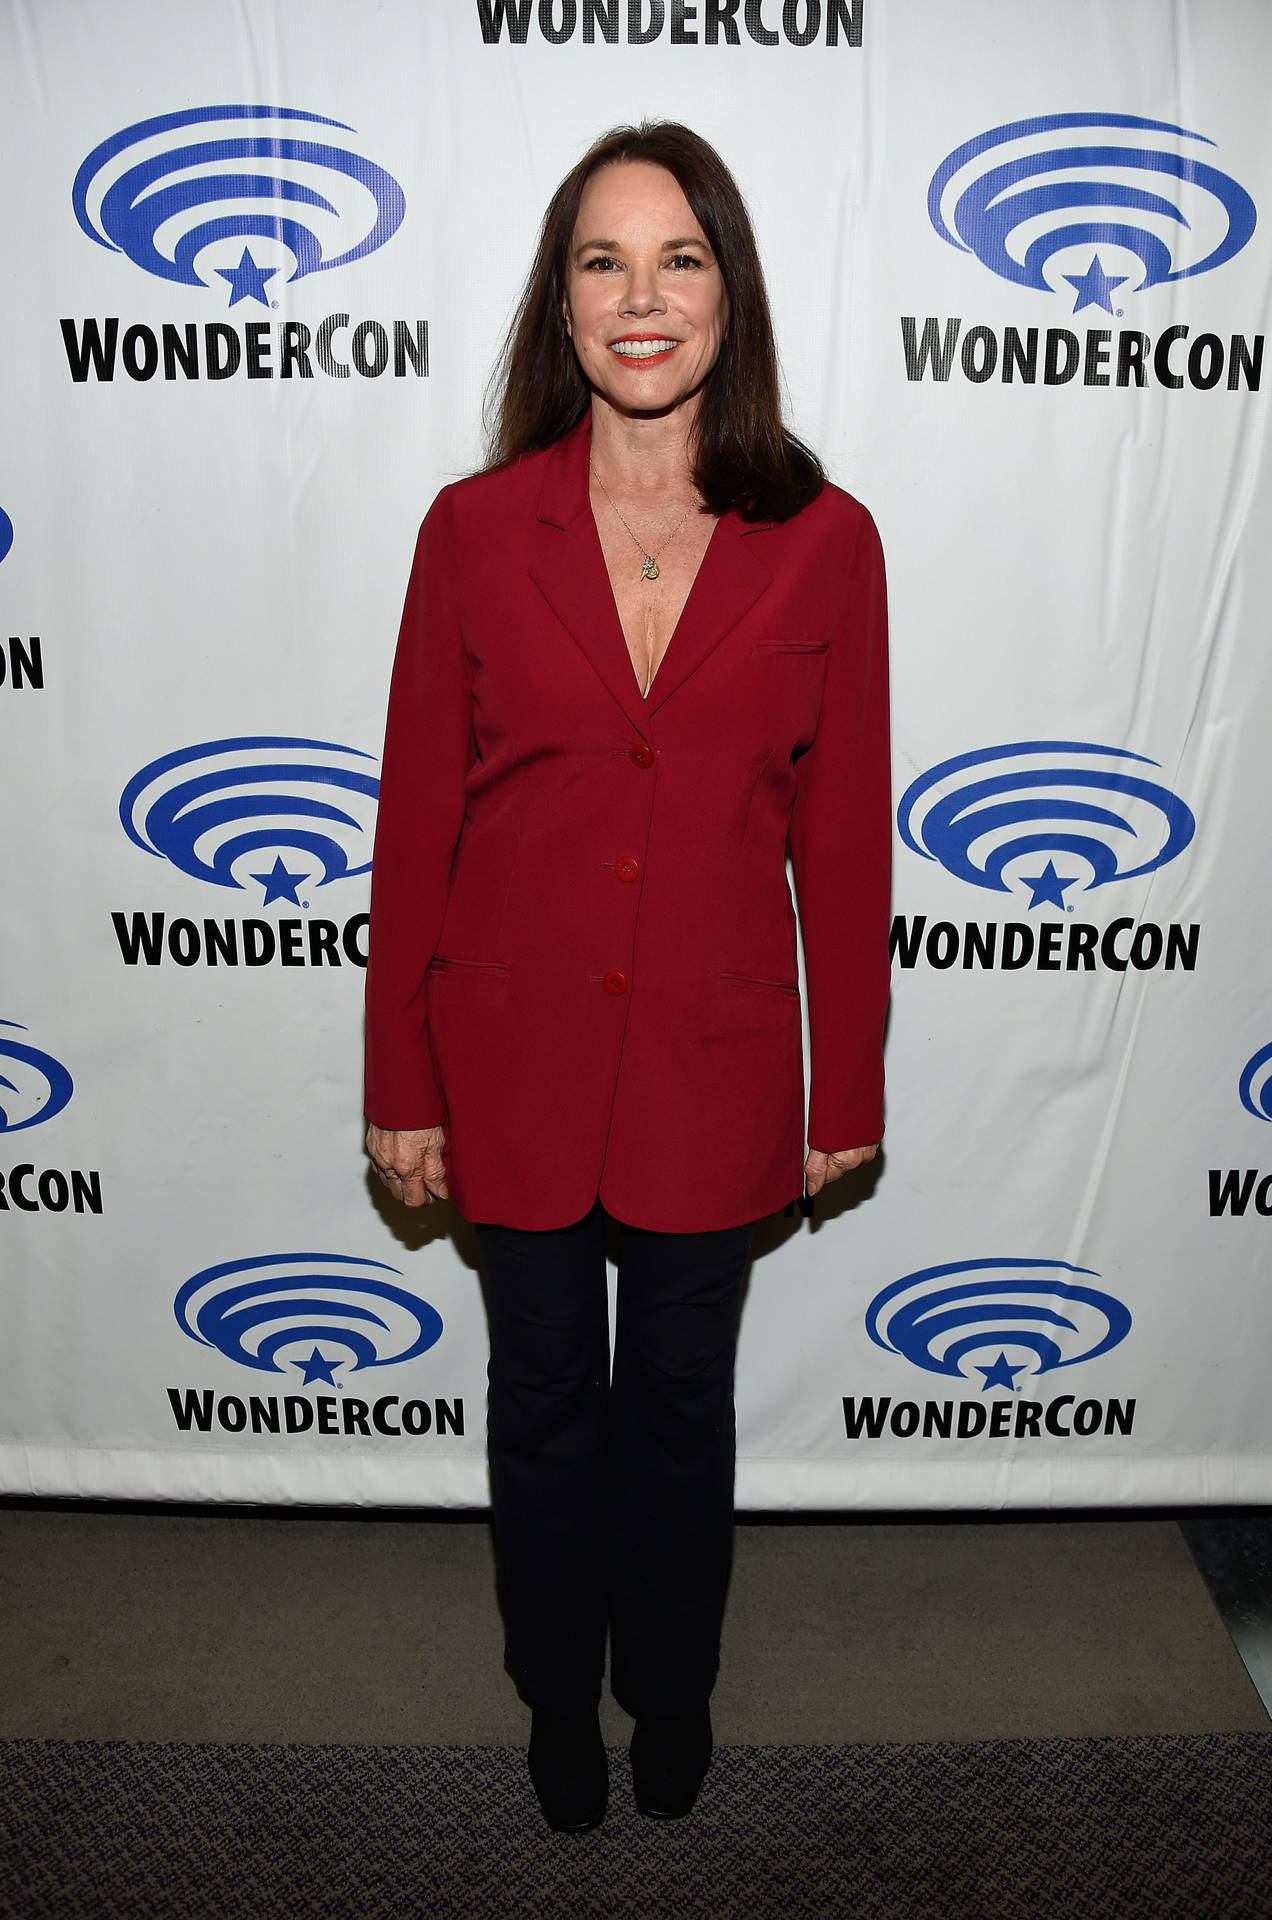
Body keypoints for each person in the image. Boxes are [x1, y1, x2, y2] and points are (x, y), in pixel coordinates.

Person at [363, 121, 890, 1832]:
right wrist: (399, 1084)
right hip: (507, 1061)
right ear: (561, 299)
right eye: (604, 260)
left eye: (680, 258)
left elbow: (850, 848)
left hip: (714, 1070)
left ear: (728, 292)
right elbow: (415, 826)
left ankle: (673, 1689)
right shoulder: (471, 529)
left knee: (677, 1409)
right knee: (542, 1409)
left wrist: (848, 1089)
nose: (642, 297)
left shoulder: (827, 540)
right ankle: (553, 1700)